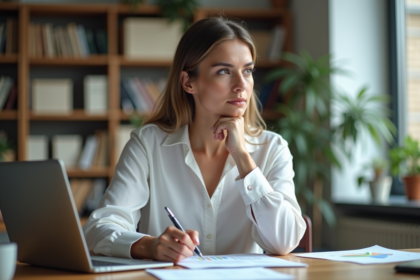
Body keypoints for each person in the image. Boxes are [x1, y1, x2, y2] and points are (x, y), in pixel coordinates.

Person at [83, 17, 306, 263]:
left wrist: (243, 157)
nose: (242, 85)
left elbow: (283, 241)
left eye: (248, 71)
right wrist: (150, 245)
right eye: (224, 71)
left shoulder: (272, 148)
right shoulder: (148, 144)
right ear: (189, 82)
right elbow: (98, 229)